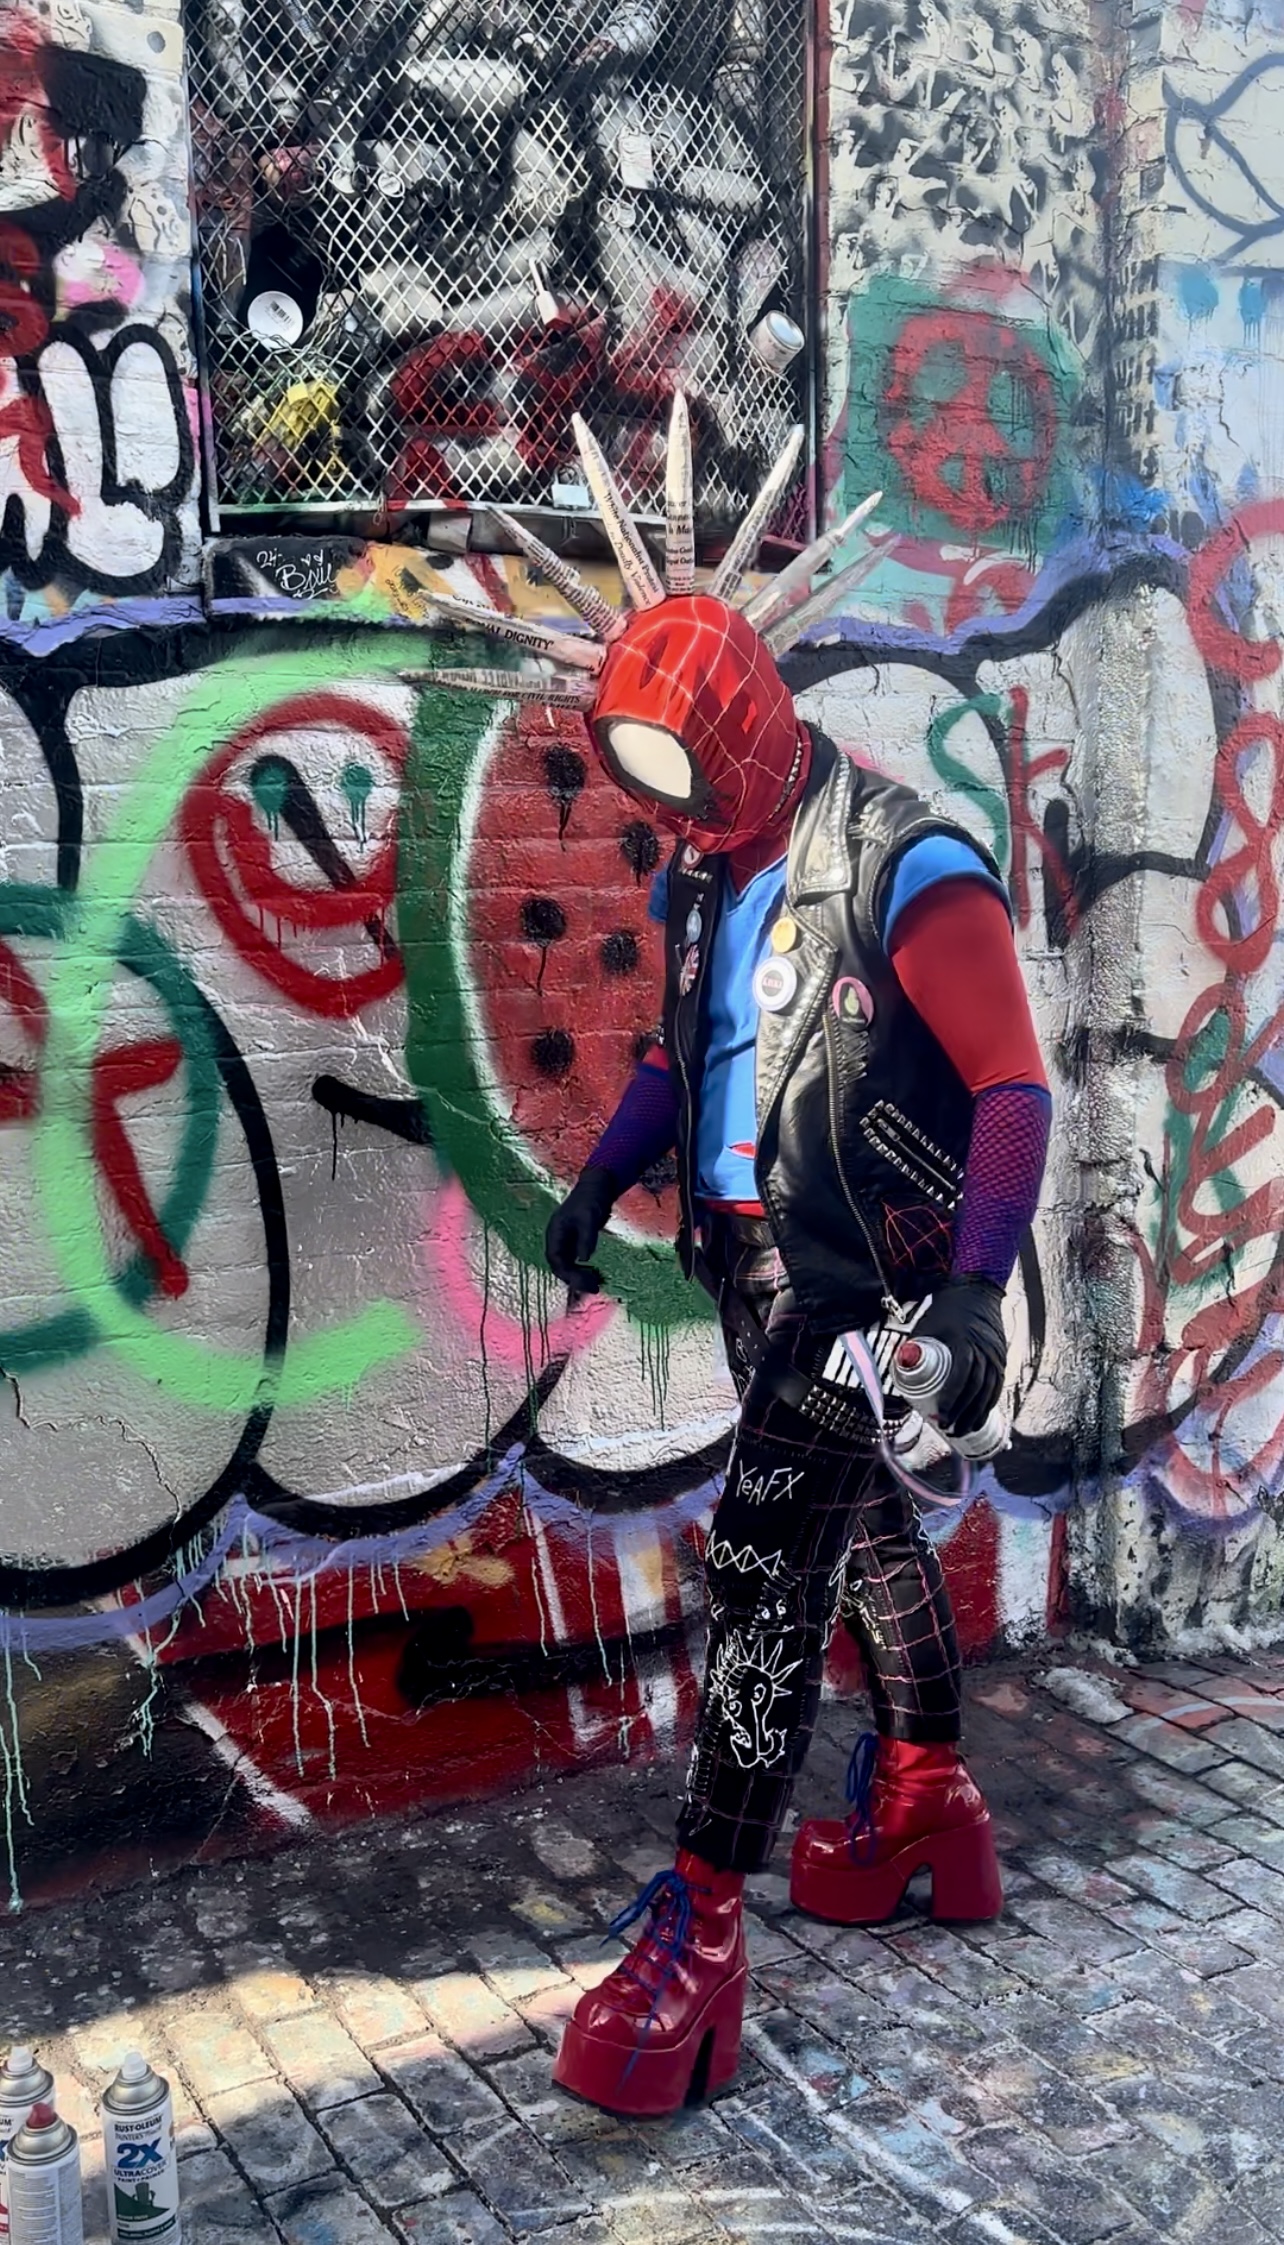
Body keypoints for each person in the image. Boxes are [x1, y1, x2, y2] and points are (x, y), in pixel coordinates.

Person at [407, 397, 1051, 2120]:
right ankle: (926, 1796)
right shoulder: (718, 865)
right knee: (860, 1534)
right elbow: (697, 1062)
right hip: (763, 1264)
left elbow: (1011, 1088)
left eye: (698, 773)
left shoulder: (908, 864)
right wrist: (598, 1179)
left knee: (767, 1564)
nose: (680, 806)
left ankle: (699, 1927)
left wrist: (976, 1297)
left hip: (875, 1287)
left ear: (758, 729)